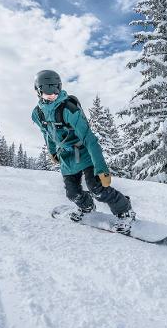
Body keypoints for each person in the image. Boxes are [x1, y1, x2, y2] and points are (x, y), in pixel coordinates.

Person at [31, 70, 135, 234]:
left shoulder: (69, 109)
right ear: (38, 91)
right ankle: (87, 207)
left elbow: (89, 139)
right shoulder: (37, 114)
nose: (52, 94)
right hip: (66, 157)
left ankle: (125, 209)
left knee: (97, 189)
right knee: (72, 193)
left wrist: (102, 169)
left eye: (55, 90)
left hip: (84, 152)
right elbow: (47, 133)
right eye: (47, 91)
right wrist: (53, 152)